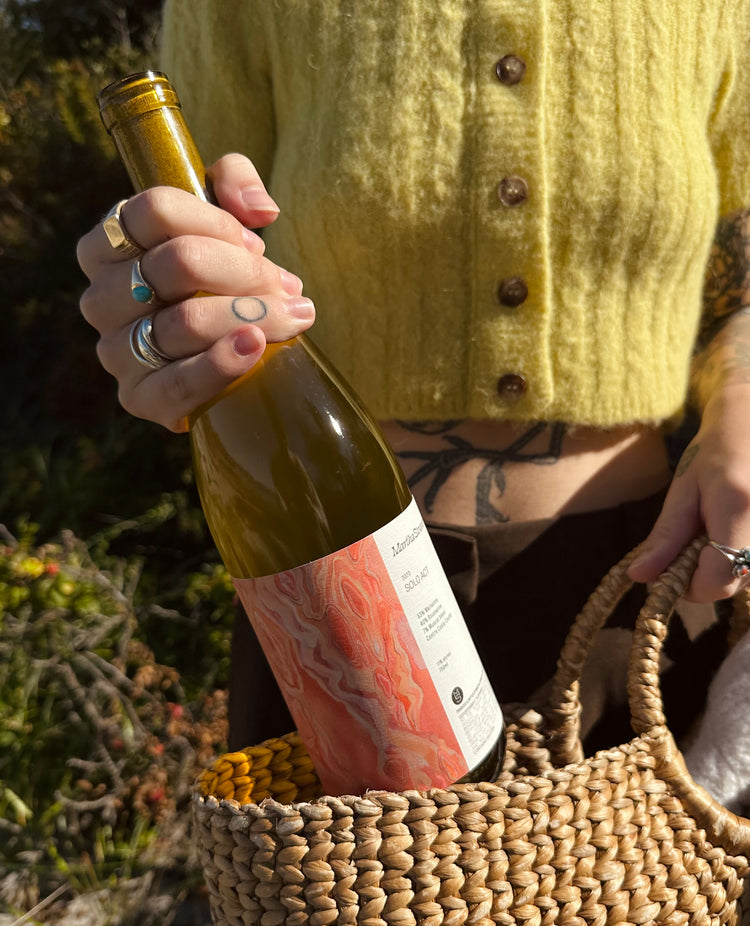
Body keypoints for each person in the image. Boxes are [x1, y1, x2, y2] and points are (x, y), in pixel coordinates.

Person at [77, 1, 750, 754]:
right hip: (328, 610)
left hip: (642, 599)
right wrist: (159, 314)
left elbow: (742, 259)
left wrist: (742, 390)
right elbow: (179, 226)